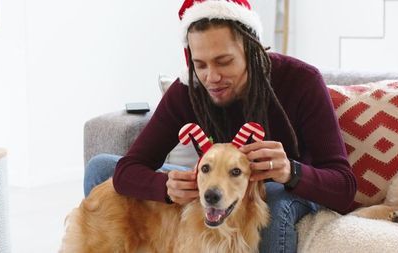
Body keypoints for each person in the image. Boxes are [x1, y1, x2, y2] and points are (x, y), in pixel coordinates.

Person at [84, 0, 357, 252]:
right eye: (199, 64)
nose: (211, 77)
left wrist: (290, 171)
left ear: (252, 50)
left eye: (224, 62)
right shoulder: (188, 89)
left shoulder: (301, 80)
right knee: (101, 168)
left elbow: (344, 187)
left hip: (286, 189)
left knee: (270, 198)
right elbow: (127, 170)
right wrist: (165, 186)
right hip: (215, 182)